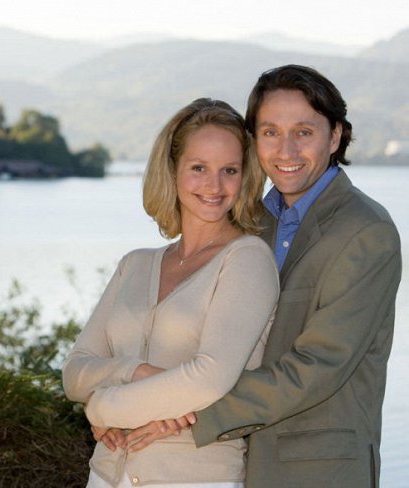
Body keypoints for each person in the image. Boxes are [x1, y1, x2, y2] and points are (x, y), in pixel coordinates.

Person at [127, 65, 403, 488]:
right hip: (229, 466)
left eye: (304, 132)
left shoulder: (366, 233)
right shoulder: (249, 222)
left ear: (335, 136)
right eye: (270, 132)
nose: (286, 150)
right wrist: (123, 406)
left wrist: (180, 414)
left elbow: (315, 367)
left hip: (318, 471)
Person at [62, 98, 279, 487]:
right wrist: (133, 371)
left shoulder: (247, 260)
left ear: (245, 177)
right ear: (173, 170)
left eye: (229, 170)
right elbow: (75, 371)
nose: (214, 186)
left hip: (194, 477)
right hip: (106, 474)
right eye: (199, 168)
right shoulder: (136, 264)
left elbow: (209, 378)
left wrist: (104, 406)